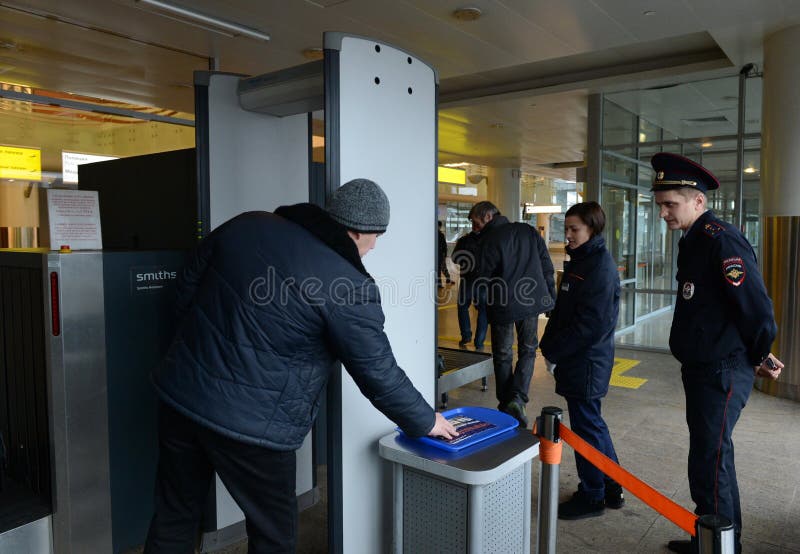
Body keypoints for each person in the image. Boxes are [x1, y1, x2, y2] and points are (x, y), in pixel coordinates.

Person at [144, 178, 458, 553]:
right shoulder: (349, 286)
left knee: (174, 515)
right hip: (254, 428)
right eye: (376, 237)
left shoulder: (249, 224)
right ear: (358, 231)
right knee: (274, 535)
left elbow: (185, 289)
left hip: (182, 397)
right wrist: (426, 420)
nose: (374, 247)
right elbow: (378, 373)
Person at [649, 153, 783, 554]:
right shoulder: (693, 239)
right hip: (702, 367)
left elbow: (756, 308)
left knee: (712, 461)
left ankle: (724, 546)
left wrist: (761, 353)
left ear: (698, 202)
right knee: (705, 458)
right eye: (660, 205)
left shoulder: (720, 240)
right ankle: (709, 536)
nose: (663, 214)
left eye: (670, 205)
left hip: (722, 369)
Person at [539, 202, 624, 520]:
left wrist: (555, 352)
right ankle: (611, 485)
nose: (568, 235)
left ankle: (593, 495)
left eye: (575, 229)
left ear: (593, 229)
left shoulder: (599, 267)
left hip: (586, 362)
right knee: (593, 425)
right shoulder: (583, 261)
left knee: (587, 429)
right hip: (580, 360)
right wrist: (549, 346)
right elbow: (564, 312)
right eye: (567, 228)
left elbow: (589, 326)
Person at [470, 201, 555, 427]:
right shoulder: (528, 230)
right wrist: (550, 296)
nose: (474, 228)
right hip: (531, 301)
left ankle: (506, 402)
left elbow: (482, 276)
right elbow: (546, 265)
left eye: (476, 223)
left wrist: (480, 302)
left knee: (503, 354)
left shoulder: (488, 239)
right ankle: (517, 398)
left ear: (488, 216)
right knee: (528, 350)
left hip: (502, 304)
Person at [452, 227, 487, 350]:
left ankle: (466, 336)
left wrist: (466, 262)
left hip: (467, 278)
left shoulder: (464, 240)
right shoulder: (489, 239)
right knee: (483, 310)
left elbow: (455, 257)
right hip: (484, 280)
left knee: (462, 306)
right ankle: (479, 341)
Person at [437, 220, 454, 289]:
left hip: (440, 254)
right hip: (439, 255)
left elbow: (444, 246)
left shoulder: (440, 234)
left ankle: (447, 279)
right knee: (440, 269)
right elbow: (444, 246)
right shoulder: (439, 234)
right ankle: (440, 283)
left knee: (442, 268)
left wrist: (445, 254)